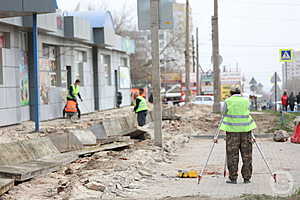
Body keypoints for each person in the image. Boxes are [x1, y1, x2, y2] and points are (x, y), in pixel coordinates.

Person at [220, 86, 257, 184]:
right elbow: (249, 112)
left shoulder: (228, 101)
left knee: (232, 155)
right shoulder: (246, 101)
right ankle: (247, 178)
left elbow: (223, 113)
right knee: (247, 155)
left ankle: (233, 178)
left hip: (232, 132)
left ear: (231, 93)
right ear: (240, 93)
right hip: (246, 131)